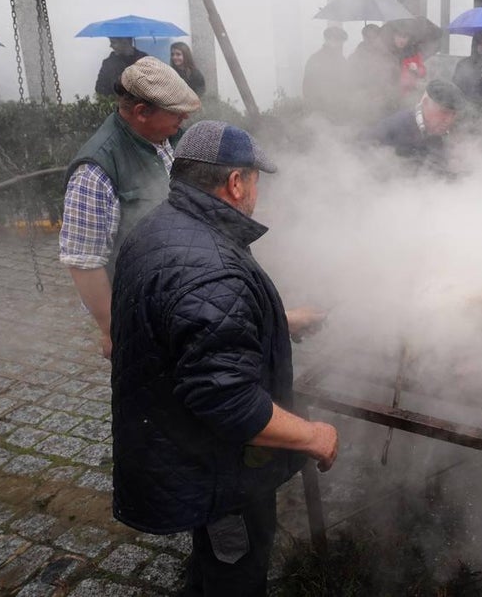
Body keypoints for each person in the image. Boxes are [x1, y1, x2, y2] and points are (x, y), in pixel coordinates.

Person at [110, 120, 339, 596]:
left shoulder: (157, 227)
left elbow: (186, 326)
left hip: (170, 440)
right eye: (255, 179)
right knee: (234, 567)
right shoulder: (215, 269)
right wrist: (313, 435)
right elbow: (230, 403)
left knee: (215, 552)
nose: (258, 192)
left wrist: (278, 318)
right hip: (217, 467)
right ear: (235, 182)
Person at [60, 56, 201, 359]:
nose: (183, 120)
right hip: (138, 309)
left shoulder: (167, 137)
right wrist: (113, 330)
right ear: (141, 113)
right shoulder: (95, 171)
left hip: (179, 295)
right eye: (176, 113)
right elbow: (84, 262)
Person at [363, 79, 465, 171]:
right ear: (425, 103)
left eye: (453, 114)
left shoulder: (443, 134)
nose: (448, 120)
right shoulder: (392, 128)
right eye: (444, 112)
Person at [301, 26, 349, 121]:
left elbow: (347, 83)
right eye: (338, 41)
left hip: (340, 110)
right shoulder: (316, 59)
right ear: (328, 39)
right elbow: (307, 87)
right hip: (321, 111)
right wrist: (315, 108)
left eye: (341, 41)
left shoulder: (341, 60)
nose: (340, 44)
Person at [452, 32, 482, 102]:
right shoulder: (463, 64)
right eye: (480, 44)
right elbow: (455, 86)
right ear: (475, 45)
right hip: (466, 104)